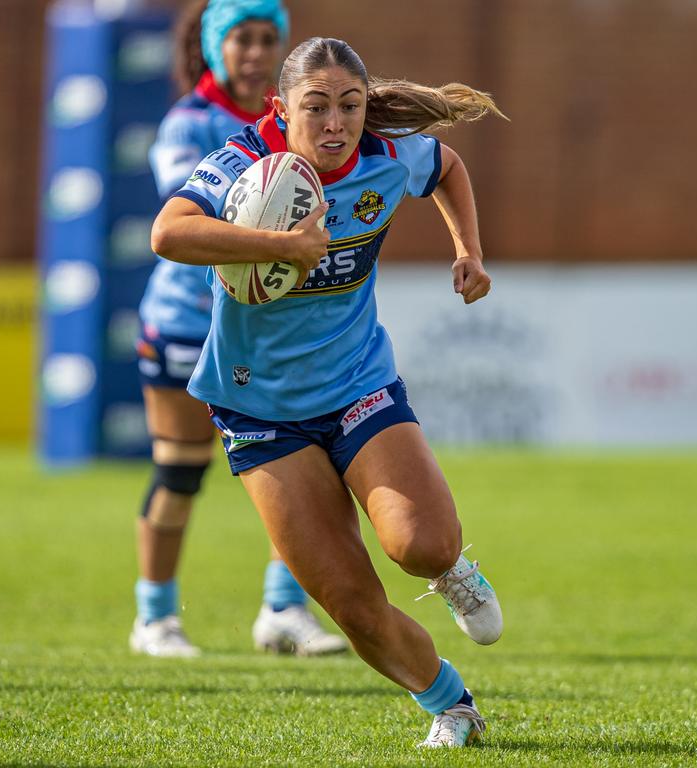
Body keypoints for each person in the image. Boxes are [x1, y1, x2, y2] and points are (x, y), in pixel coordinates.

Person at [151, 36, 505, 747]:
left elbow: (448, 165)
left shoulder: (386, 154)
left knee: (422, 544)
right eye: (317, 108)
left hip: (357, 387)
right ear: (281, 109)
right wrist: (280, 246)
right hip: (259, 411)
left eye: (350, 105)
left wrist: (468, 249)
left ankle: (451, 569)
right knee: (350, 603)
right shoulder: (243, 163)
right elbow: (168, 233)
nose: (336, 124)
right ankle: (452, 704)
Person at [132, 0, 346, 659]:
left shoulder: (296, 121)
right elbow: (185, 218)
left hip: (266, 330)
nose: (254, 53)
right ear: (213, 46)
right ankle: (156, 619)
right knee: (181, 471)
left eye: (267, 40)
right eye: (242, 40)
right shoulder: (190, 123)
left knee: (308, 472)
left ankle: (284, 608)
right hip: (186, 324)